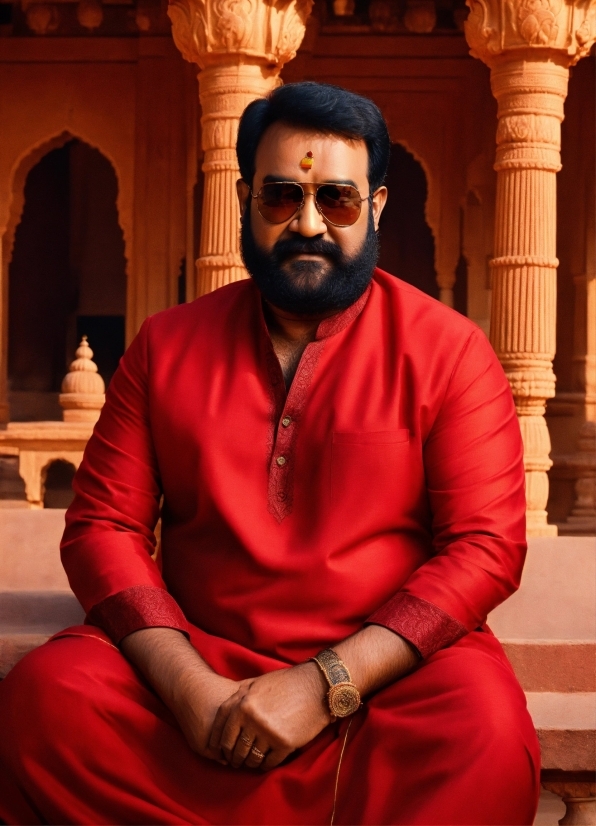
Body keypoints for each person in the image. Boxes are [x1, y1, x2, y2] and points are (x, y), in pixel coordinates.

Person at [0, 82, 540, 825]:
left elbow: (484, 548)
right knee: (48, 698)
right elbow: (102, 529)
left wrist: (324, 687)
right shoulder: (167, 345)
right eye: (282, 196)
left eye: (338, 201)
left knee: (484, 733)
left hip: (383, 683)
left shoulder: (449, 352)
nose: (309, 223)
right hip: (200, 664)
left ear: (376, 207)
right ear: (244, 198)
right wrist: (189, 689)